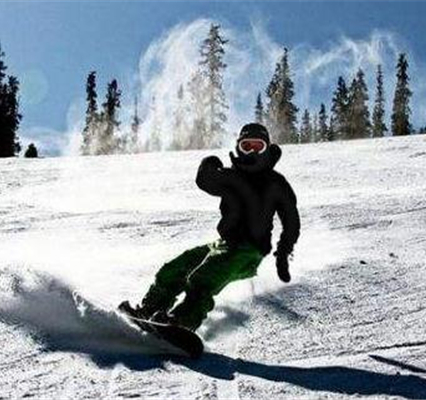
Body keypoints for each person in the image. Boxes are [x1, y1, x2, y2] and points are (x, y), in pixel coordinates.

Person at [120, 123, 301, 332]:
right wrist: (208, 164)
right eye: (246, 146)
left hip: (249, 249)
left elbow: (291, 220)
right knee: (175, 268)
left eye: (257, 147)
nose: (251, 152)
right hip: (225, 244)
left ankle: (182, 322)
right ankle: (150, 310)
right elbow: (205, 181)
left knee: (204, 276)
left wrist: (283, 254)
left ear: (266, 149)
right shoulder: (233, 176)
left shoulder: (274, 183)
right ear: (238, 148)